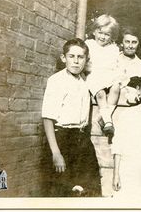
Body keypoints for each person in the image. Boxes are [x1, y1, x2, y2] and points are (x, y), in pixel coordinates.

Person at [41, 38, 101, 197]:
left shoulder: (84, 81)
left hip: (82, 142)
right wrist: (56, 153)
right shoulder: (56, 81)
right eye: (71, 56)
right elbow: (47, 118)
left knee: (89, 190)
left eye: (80, 57)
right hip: (63, 140)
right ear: (63, 58)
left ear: (86, 60)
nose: (76, 61)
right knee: (62, 192)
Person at [84, 14, 120, 141]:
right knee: (100, 94)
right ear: (94, 31)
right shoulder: (89, 45)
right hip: (94, 74)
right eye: (100, 32)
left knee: (116, 88)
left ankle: (103, 117)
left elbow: (116, 66)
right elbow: (86, 64)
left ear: (112, 36)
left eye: (107, 34)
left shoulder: (113, 49)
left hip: (109, 75)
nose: (103, 37)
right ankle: (108, 121)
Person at [117, 26, 141, 104]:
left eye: (134, 42)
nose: (130, 46)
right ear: (122, 43)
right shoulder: (113, 59)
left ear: (138, 44)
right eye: (127, 42)